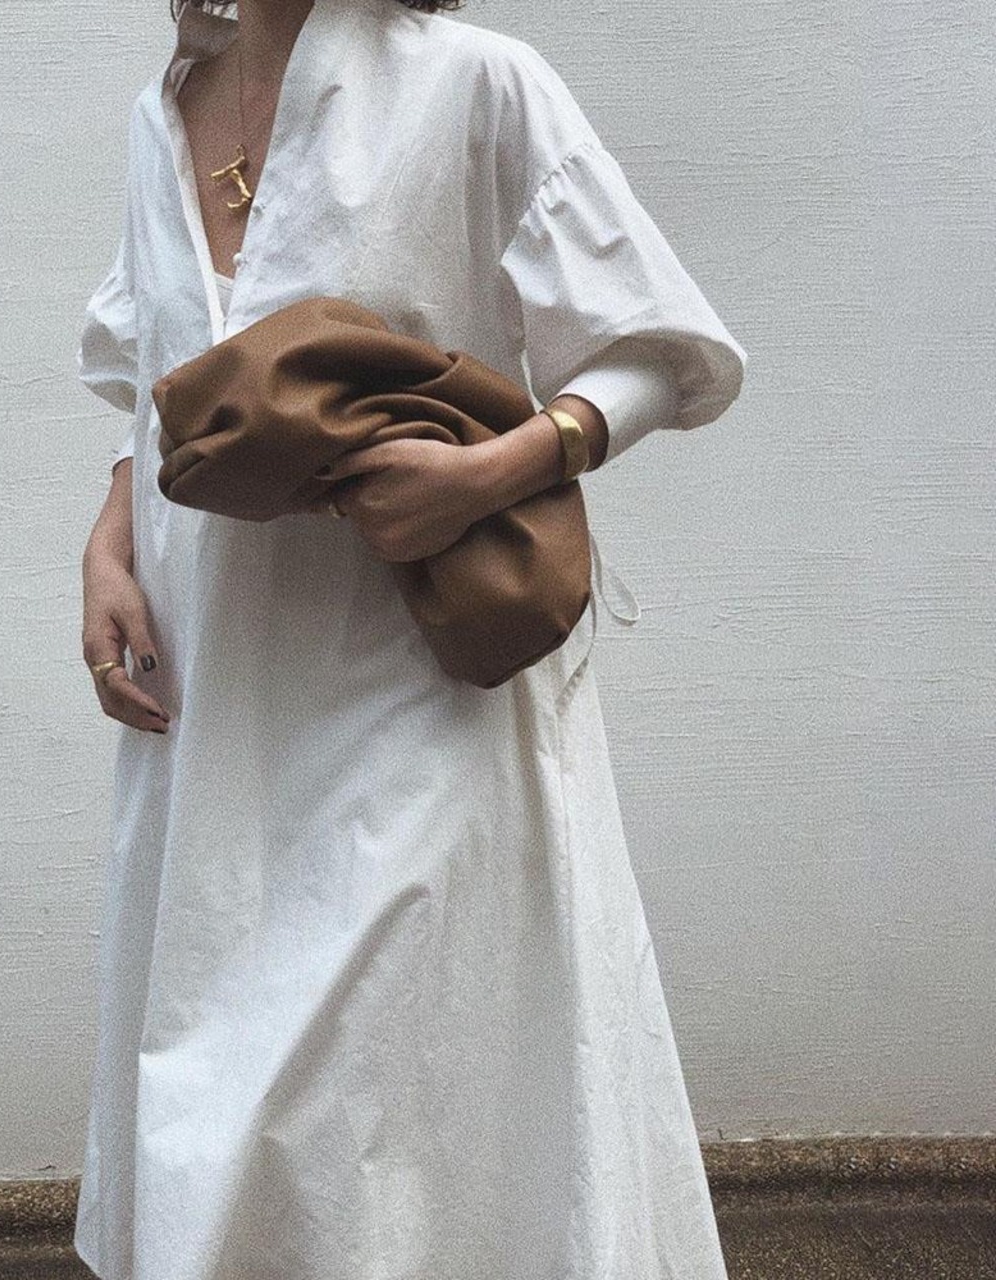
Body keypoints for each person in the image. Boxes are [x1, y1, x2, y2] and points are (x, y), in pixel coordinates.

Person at [74, 0, 747, 1276]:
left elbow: (657, 351)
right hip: (215, 703)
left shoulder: (476, 84)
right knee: (221, 1092)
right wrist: (110, 540)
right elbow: (154, 366)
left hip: (411, 688)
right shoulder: (166, 109)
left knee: (384, 1085)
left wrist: (493, 470)